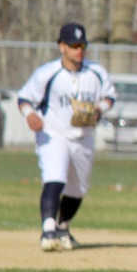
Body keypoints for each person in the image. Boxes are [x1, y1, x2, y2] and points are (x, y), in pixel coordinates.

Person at [16, 22, 116, 251]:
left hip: (84, 136)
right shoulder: (48, 73)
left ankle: (62, 227)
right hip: (53, 134)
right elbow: (24, 98)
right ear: (62, 46)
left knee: (78, 188)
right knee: (56, 177)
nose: (79, 50)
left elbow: (110, 96)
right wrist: (30, 114)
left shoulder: (96, 73)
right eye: (73, 45)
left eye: (82, 45)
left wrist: (99, 109)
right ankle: (48, 229)